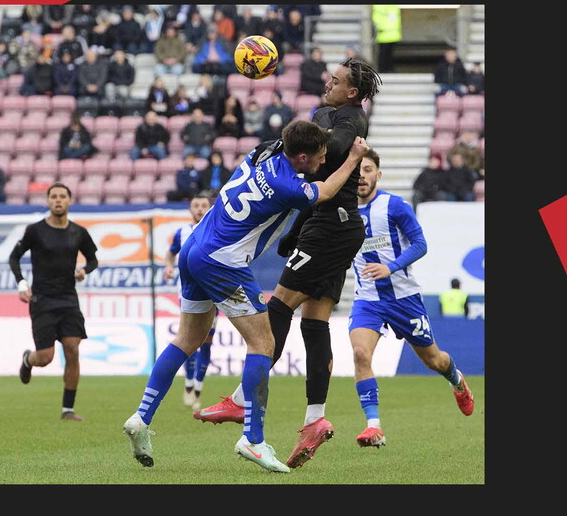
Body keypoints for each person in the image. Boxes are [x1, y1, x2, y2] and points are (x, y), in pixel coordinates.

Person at [122, 120, 370, 473]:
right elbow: (326, 192)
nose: (324, 159)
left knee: (188, 338)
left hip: (194, 248)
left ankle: (141, 417)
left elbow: (289, 140)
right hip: (223, 260)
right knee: (263, 343)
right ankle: (253, 440)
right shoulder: (289, 187)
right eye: (319, 155)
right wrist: (354, 157)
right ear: (301, 157)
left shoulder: (263, 151)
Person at [194, 58, 382, 471]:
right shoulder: (327, 113)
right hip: (330, 226)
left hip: (331, 227)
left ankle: (243, 401)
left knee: (278, 305)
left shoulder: (352, 118)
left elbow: (330, 149)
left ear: (352, 92)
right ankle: (315, 418)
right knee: (314, 323)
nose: (328, 82)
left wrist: (319, 142)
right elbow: (319, 147)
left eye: (337, 80)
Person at [349, 151, 474, 449]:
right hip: (367, 299)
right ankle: (373, 426)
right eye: (358, 170)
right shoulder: (342, 211)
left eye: (368, 170)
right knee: (359, 354)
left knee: (435, 360)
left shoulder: (394, 206)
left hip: (404, 298)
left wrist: (390, 267)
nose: (362, 176)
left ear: (378, 175)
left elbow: (420, 244)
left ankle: (456, 379)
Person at [11, 183, 99, 421]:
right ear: (48, 201)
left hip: (68, 300)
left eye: (62, 196)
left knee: (72, 349)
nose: (58, 200)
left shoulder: (78, 232)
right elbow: (14, 257)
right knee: (46, 357)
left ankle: (67, 410)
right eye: (54, 197)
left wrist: (84, 270)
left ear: (69, 201)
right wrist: (21, 283)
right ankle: (28, 359)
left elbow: (93, 260)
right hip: (42, 300)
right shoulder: (35, 231)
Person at [163, 190, 219, 410]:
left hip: (214, 294)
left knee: (206, 342)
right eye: (196, 205)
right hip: (187, 295)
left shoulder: (217, 230)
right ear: (190, 209)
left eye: (203, 205)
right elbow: (170, 253)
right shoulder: (182, 232)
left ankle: (197, 386)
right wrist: (168, 266)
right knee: (189, 339)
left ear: (209, 208)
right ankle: (188, 385)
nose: (199, 209)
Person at [371, 5, 401, 73]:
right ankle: (384, 69)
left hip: (392, 34)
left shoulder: (392, 7)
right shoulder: (380, 7)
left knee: (389, 55)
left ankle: (388, 69)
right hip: (384, 35)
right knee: (384, 55)